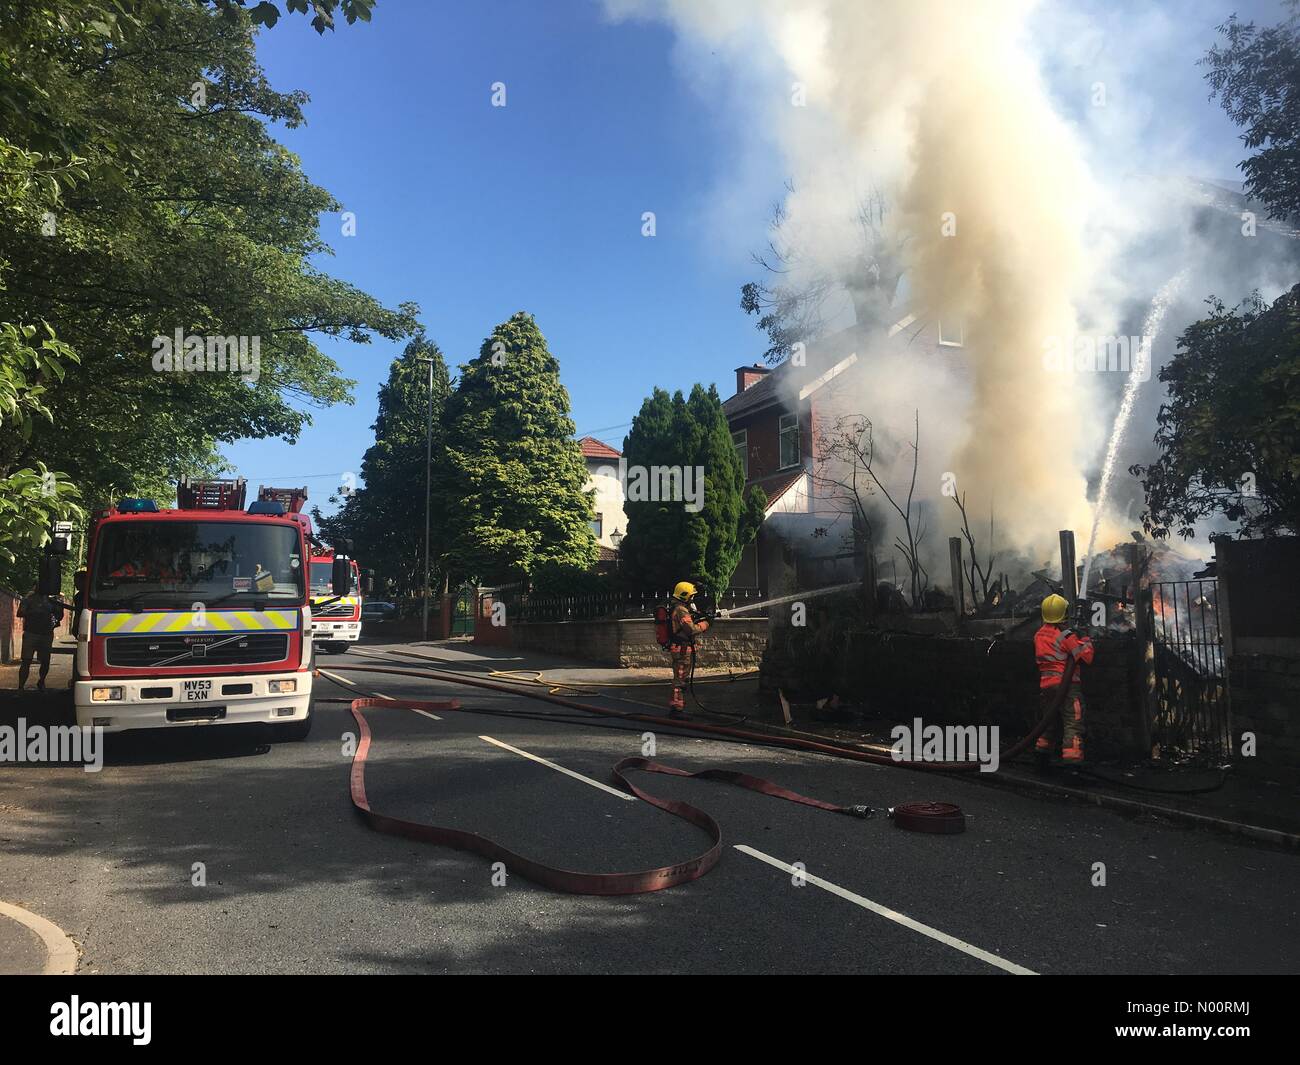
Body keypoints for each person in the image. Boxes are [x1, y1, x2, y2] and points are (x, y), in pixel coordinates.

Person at [1033, 593, 1094, 766]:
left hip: (1046, 687)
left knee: (1048, 721)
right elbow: (1084, 658)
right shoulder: (1065, 636)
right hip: (1067, 688)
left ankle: (1041, 757)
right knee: (1073, 724)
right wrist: (1085, 638)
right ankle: (1072, 765)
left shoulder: (1039, 635)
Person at [666, 581, 710, 716]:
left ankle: (678, 706)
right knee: (680, 679)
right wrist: (705, 624)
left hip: (681, 648)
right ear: (685, 596)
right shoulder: (681, 610)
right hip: (682, 649)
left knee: (681, 677)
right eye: (691, 596)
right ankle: (677, 709)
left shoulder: (679, 608)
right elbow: (690, 629)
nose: (693, 598)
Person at [17, 587, 65, 691]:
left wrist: (58, 606)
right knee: (26, 661)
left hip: (45, 633)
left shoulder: (52, 600)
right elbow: (20, 613)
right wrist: (34, 612)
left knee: (45, 661)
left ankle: (42, 681)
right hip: (31, 633)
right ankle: (20, 687)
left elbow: (60, 616)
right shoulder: (29, 599)